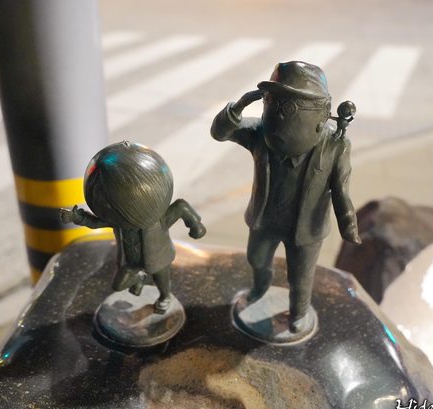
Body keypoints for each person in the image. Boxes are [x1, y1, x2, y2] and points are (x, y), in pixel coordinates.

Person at [211, 61, 361, 339]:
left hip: (306, 228)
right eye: (274, 107)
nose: (281, 124)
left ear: (319, 120)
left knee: (300, 277)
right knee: (257, 259)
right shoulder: (258, 134)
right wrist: (239, 105)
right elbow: (220, 133)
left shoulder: (334, 145)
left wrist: (348, 223)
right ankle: (259, 288)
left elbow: (341, 188)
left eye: (291, 112)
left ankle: (298, 312)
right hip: (265, 219)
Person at [60, 141, 206, 314]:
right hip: (130, 262)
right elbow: (96, 222)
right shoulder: (117, 220)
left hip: (158, 257)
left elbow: (181, 207)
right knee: (118, 285)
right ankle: (140, 278)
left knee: (162, 281)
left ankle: (164, 296)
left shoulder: (156, 219)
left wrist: (195, 224)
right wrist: (77, 217)